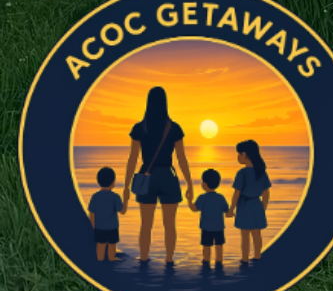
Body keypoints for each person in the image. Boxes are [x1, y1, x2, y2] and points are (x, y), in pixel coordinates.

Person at [122, 85, 193, 269]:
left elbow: (132, 159)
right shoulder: (174, 128)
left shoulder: (140, 128)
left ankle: (144, 259)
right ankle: (169, 260)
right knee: (170, 225)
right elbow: (181, 158)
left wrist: (126, 186)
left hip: (147, 176)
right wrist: (190, 183)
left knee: (146, 224)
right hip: (167, 177)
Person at [232, 141, 270, 267]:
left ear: (245, 154)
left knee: (245, 235)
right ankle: (257, 256)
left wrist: (232, 208)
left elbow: (236, 193)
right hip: (257, 204)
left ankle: (245, 259)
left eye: (239, 154)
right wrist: (263, 207)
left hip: (245, 204)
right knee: (256, 233)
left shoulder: (242, 173)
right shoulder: (261, 172)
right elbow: (266, 193)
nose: (238, 157)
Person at [193, 168, 229, 272]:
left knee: (206, 246)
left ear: (204, 184)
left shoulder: (202, 197)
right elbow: (226, 210)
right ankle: (219, 263)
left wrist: (189, 200)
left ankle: (206, 263)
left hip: (206, 228)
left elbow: (195, 208)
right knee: (219, 246)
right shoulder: (220, 197)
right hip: (219, 227)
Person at [87, 165, 125, 264]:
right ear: (113, 182)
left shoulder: (95, 197)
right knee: (112, 244)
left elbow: (92, 213)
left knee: (100, 244)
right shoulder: (115, 197)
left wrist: (93, 226)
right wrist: (125, 199)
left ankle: (100, 259)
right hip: (112, 227)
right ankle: (111, 258)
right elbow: (122, 211)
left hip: (99, 227)